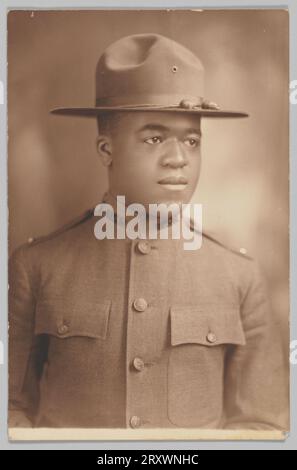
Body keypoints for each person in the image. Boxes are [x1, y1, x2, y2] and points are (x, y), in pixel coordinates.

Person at [8, 33, 288, 430]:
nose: (178, 159)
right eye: (155, 138)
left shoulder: (239, 277)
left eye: (191, 141)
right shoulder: (36, 267)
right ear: (107, 150)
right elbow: (8, 412)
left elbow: (263, 427)